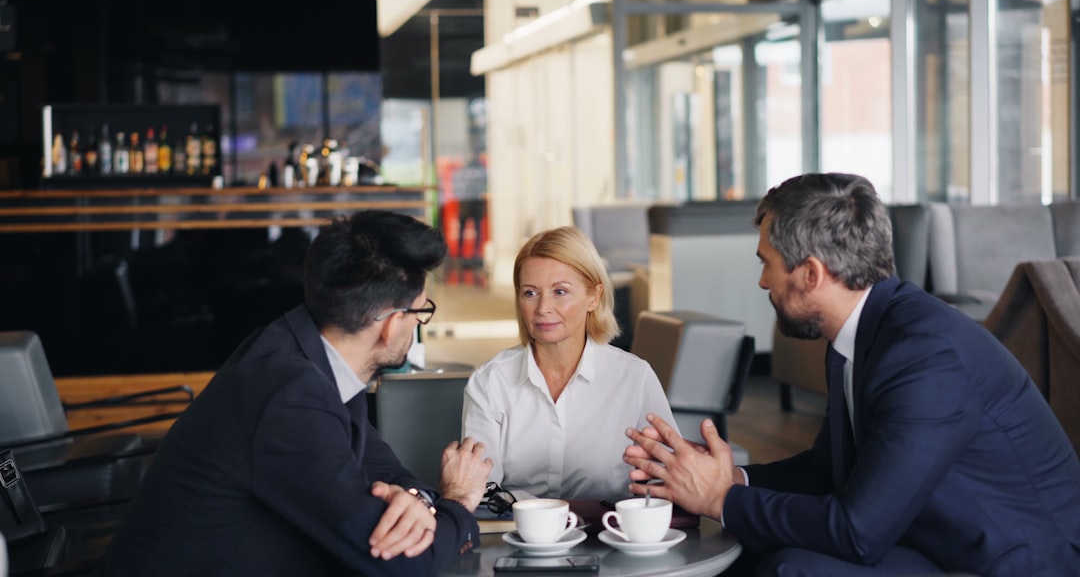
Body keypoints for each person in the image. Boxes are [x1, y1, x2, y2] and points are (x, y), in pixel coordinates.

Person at [623, 173, 1080, 576]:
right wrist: (727, 478)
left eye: (767, 263)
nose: (763, 282)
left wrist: (720, 498)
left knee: (791, 568)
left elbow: (859, 531)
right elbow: (828, 469)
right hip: (934, 535)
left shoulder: (926, 357)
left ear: (811, 273)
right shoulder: (863, 332)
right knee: (757, 547)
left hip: (1010, 560)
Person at [100, 210, 493, 576]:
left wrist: (417, 502)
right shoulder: (289, 397)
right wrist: (457, 501)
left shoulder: (311, 351)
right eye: (421, 313)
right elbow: (406, 564)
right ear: (390, 325)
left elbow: (384, 471)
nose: (418, 326)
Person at [462, 226, 677, 500]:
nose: (542, 308)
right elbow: (480, 489)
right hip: (519, 535)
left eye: (560, 292)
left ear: (593, 297)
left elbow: (668, 478)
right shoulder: (491, 381)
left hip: (610, 536)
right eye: (530, 293)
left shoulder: (634, 378)